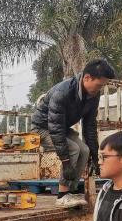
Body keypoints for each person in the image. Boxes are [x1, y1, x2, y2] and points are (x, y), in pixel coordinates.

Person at [31, 59, 115, 208]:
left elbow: (89, 127)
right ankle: (62, 195)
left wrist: (95, 157)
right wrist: (66, 162)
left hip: (60, 128)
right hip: (41, 128)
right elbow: (55, 128)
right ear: (87, 78)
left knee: (85, 150)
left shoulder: (93, 95)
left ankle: (71, 191)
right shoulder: (62, 93)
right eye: (99, 85)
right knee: (73, 149)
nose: (100, 89)